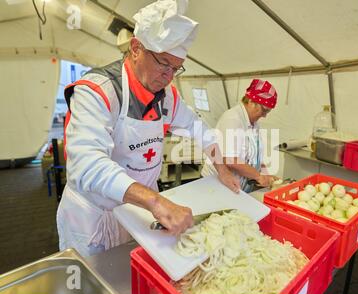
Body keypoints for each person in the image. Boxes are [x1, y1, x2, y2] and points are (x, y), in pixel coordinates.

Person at [57, 0, 239, 257]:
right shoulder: (97, 91)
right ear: (135, 48)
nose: (169, 76)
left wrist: (221, 167)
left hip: (137, 211)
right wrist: (155, 200)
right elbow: (86, 164)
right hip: (94, 217)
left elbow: (198, 128)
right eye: (163, 63)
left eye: (176, 68)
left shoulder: (168, 97)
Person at [201, 79, 280, 193]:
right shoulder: (233, 119)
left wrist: (266, 175)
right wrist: (258, 176)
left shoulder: (254, 124)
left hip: (235, 185)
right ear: (251, 101)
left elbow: (255, 156)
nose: (264, 116)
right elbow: (230, 159)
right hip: (216, 185)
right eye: (264, 110)